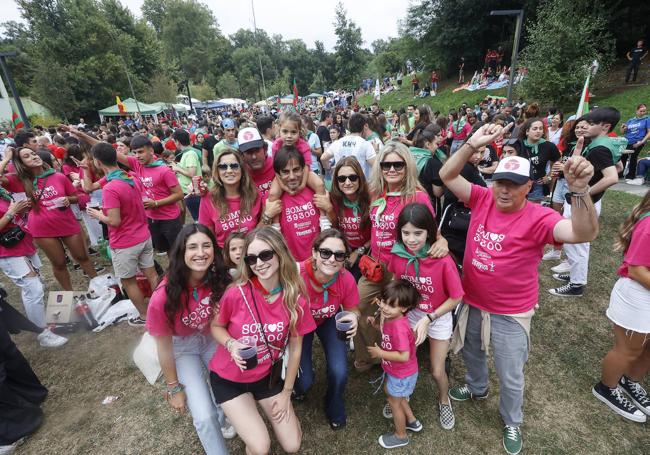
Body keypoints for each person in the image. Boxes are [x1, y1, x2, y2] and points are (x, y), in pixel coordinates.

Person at [440, 122, 599, 455]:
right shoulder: (482, 198)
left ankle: (511, 419)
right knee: (472, 353)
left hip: (511, 311)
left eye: (513, 184)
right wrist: (470, 145)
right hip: (472, 300)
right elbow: (447, 176)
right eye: (500, 181)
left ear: (529, 186)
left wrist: (580, 191)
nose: (504, 190)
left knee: (510, 372)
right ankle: (477, 388)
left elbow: (582, 234)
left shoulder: (539, 217)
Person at [209, 227, 316, 455]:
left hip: (266, 377)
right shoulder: (236, 293)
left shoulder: (295, 297)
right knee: (260, 447)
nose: (259, 263)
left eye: (266, 255)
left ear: (279, 254)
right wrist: (232, 344)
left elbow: (296, 350)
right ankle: (249, 423)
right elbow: (216, 326)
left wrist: (287, 393)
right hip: (229, 379)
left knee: (292, 445)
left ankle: (260, 417)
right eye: (252, 258)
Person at [354, 142, 445, 372]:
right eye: (386, 164)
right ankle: (370, 355)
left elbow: (432, 230)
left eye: (398, 164)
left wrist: (441, 241)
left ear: (407, 166)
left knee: (398, 315)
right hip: (375, 265)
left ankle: (400, 355)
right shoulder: (375, 192)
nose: (391, 169)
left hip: (403, 268)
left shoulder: (418, 196)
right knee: (358, 304)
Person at [146, 224, 235, 454]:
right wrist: (174, 388)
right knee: (204, 416)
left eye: (206, 246)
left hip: (212, 337)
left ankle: (224, 418)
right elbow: (163, 347)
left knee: (228, 393)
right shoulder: (162, 297)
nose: (201, 252)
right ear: (181, 252)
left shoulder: (219, 277)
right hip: (182, 348)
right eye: (192, 247)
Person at [386, 203, 463, 429]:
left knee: (437, 370)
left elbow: (456, 297)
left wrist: (428, 319)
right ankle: (401, 396)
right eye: (406, 233)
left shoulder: (442, 259)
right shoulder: (399, 254)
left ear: (429, 231)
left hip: (437, 315)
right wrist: (389, 310)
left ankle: (444, 399)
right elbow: (395, 280)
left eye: (417, 233)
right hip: (409, 315)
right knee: (402, 361)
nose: (411, 239)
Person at [550, 108, 623, 297]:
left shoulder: (599, 148)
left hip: (584, 201)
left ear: (605, 127)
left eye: (591, 124)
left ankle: (577, 284)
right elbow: (619, 166)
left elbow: (612, 176)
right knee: (577, 242)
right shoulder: (603, 144)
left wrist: (585, 192)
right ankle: (576, 275)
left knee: (577, 242)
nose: (585, 127)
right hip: (584, 200)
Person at [0, 147, 97, 291]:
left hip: (66, 223)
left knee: (82, 256)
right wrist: (7, 158)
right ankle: (70, 296)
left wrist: (68, 199)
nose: (33, 156)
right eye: (27, 156)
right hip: (41, 228)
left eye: (33, 153)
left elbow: (77, 197)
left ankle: (100, 285)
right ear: (21, 163)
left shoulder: (58, 176)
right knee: (59, 263)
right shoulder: (17, 180)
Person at [592, 189, 650, 422]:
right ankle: (607, 387)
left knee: (647, 348)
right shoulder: (649, 226)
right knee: (630, 349)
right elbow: (637, 269)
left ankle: (631, 381)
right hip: (638, 295)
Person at [294, 229, 360, 429]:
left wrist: (354, 317)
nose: (332, 259)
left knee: (339, 372)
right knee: (304, 381)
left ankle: (334, 401)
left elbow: (352, 309)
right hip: (300, 325)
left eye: (339, 255)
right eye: (325, 253)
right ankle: (298, 387)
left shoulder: (346, 278)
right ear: (314, 252)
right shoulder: (296, 275)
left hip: (329, 320)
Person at [86, 143, 158, 326]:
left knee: (128, 281)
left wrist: (98, 215)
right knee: (151, 273)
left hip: (125, 242)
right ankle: (161, 307)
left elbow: (115, 221)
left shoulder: (111, 188)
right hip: (143, 235)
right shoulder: (131, 176)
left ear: (98, 161)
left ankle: (144, 316)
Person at [0, 193, 67, 347]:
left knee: (37, 284)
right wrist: (11, 212)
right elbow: (8, 215)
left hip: (21, 242)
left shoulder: (2, 192)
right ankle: (42, 333)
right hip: (7, 250)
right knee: (33, 289)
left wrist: (22, 209)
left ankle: (44, 324)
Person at [367, 280, 421, 449]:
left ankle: (401, 435)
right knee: (394, 395)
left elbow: (404, 355)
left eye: (391, 305)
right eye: (383, 301)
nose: (384, 307)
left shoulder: (399, 326)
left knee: (394, 402)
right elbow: (388, 335)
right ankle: (412, 421)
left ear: (404, 308)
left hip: (402, 373)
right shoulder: (393, 319)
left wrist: (380, 353)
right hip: (397, 372)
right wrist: (376, 325)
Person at [262, 147, 321, 261]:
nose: (292, 176)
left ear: (303, 169)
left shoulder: (315, 191)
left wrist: (328, 209)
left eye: (296, 169)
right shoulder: (272, 198)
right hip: (292, 267)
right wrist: (267, 215)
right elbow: (261, 234)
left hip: (319, 263)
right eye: (285, 172)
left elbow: (333, 224)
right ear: (278, 174)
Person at [198, 148, 261, 249]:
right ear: (217, 171)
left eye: (234, 166)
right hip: (225, 259)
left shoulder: (254, 195)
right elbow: (207, 237)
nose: (229, 171)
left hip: (253, 254)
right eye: (223, 167)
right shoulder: (208, 199)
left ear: (242, 169)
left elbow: (261, 227)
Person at [328, 157, 371, 281]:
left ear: (360, 178)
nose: (347, 183)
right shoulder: (334, 199)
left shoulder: (370, 199)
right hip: (343, 249)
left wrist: (359, 251)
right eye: (342, 178)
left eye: (352, 177)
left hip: (367, 250)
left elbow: (377, 233)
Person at [516, 118, 560, 203]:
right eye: (535, 129)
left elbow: (557, 163)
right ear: (527, 131)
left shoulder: (549, 146)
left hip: (537, 185)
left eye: (541, 129)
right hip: (518, 183)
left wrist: (549, 177)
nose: (538, 131)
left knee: (533, 212)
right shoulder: (518, 145)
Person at [320, 113, 377, 178]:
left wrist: (329, 170)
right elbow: (375, 165)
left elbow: (323, 158)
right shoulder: (365, 144)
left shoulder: (338, 142)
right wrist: (376, 151)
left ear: (349, 126)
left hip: (341, 180)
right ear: (363, 127)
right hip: (358, 182)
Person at [171, 129, 202, 221]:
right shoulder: (187, 153)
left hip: (192, 192)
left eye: (174, 141)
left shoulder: (190, 154)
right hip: (189, 191)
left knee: (198, 218)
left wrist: (177, 168)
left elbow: (192, 173)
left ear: (178, 141)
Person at [238, 127, 275, 198]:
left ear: (265, 149)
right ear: (242, 155)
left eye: (257, 150)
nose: (254, 157)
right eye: (249, 152)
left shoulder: (277, 166)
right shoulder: (240, 175)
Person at [622, 104, 650, 182]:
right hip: (627, 141)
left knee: (633, 157)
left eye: (644, 111)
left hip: (638, 141)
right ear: (636, 111)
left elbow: (649, 132)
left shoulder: (647, 119)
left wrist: (641, 142)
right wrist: (623, 128)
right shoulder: (631, 120)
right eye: (641, 111)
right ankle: (620, 173)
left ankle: (631, 175)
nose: (643, 112)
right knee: (622, 156)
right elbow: (623, 132)